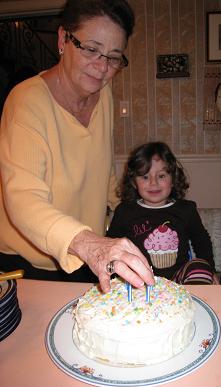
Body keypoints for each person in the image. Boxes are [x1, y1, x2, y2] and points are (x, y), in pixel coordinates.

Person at [0, 0, 154, 293]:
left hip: (82, 255)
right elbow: (23, 200)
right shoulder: (26, 102)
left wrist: (131, 213)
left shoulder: (104, 93)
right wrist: (91, 244)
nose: (101, 67)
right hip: (28, 264)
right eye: (91, 49)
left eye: (113, 57)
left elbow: (103, 169)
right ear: (63, 39)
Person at [107, 141, 218, 285]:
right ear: (134, 182)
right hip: (138, 282)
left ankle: (193, 304)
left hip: (179, 282)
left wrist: (211, 270)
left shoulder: (186, 210)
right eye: (145, 177)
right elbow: (111, 245)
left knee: (199, 267)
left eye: (161, 176)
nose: (153, 183)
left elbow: (201, 242)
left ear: (173, 179)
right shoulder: (125, 211)